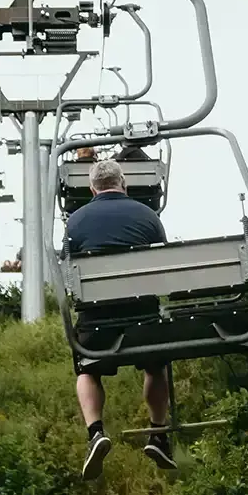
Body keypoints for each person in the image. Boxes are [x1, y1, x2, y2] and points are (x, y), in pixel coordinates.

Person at [64, 157, 176, 478]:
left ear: (92, 188)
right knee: (156, 364)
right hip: (142, 315)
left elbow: (67, 272)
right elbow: (164, 264)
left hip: (96, 320)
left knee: (87, 368)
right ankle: (157, 433)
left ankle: (96, 432)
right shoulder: (148, 215)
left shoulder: (75, 221)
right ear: (123, 184)